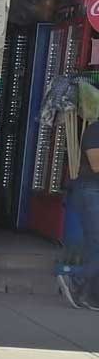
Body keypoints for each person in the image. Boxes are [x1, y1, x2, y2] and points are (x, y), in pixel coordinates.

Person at [59, 119, 99, 310]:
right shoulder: (94, 130)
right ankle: (74, 281)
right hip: (91, 191)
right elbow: (96, 165)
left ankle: (88, 294)